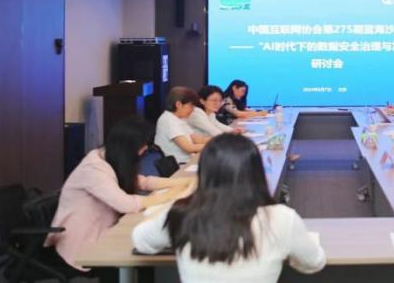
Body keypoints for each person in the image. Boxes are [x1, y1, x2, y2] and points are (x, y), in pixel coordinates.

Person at [132, 134, 326, 282]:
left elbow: (141, 241)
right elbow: (314, 263)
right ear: (257, 172)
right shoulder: (282, 217)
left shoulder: (182, 213)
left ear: (204, 173)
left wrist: (184, 197)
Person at [46, 117, 191, 272]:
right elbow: (126, 204)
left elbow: (143, 182)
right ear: (128, 145)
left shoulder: (110, 156)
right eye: (142, 145)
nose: (145, 149)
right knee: (143, 251)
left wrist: (182, 182)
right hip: (83, 244)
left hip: (106, 229)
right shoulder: (94, 168)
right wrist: (167, 197)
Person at [155, 87, 210, 164]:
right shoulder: (168, 120)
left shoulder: (179, 119)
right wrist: (213, 145)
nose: (193, 110)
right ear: (178, 104)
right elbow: (188, 148)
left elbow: (198, 140)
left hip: (188, 160)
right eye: (191, 106)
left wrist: (218, 141)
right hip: (180, 165)